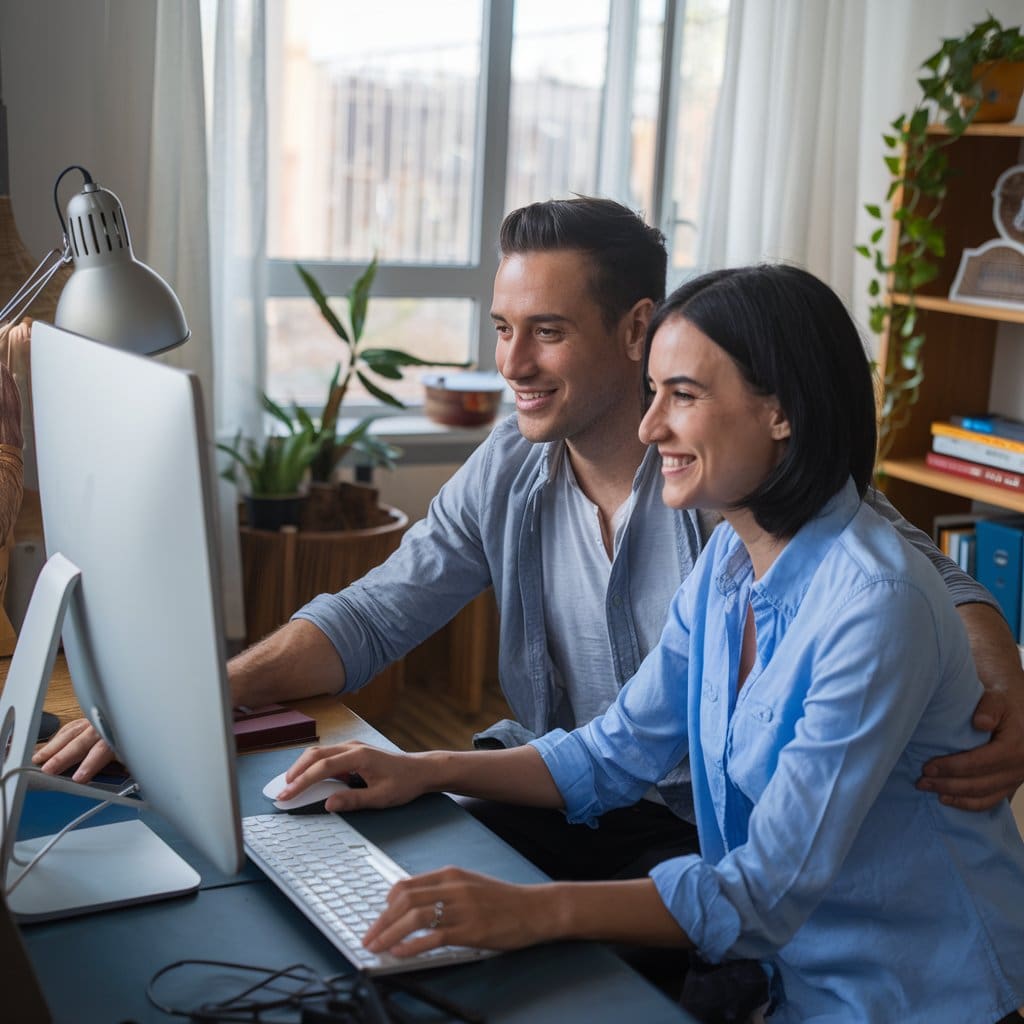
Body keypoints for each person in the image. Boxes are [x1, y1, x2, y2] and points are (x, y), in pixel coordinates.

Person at [35, 199, 1024, 877]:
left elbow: (917, 571)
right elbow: (376, 612)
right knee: (352, 864)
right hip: (567, 782)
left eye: (544, 330)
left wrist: (1000, 674)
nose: (511, 362)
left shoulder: (726, 481)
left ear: (639, 327)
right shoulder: (511, 461)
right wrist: (204, 693)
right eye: (501, 327)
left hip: (703, 831)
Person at [277, 264, 1024, 1023]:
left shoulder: (875, 606)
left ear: (782, 412)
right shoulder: (728, 563)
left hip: (915, 997)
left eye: (684, 396)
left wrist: (530, 911)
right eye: (654, 390)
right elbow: (615, 751)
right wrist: (421, 768)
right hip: (785, 980)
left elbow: (761, 895)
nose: (649, 425)